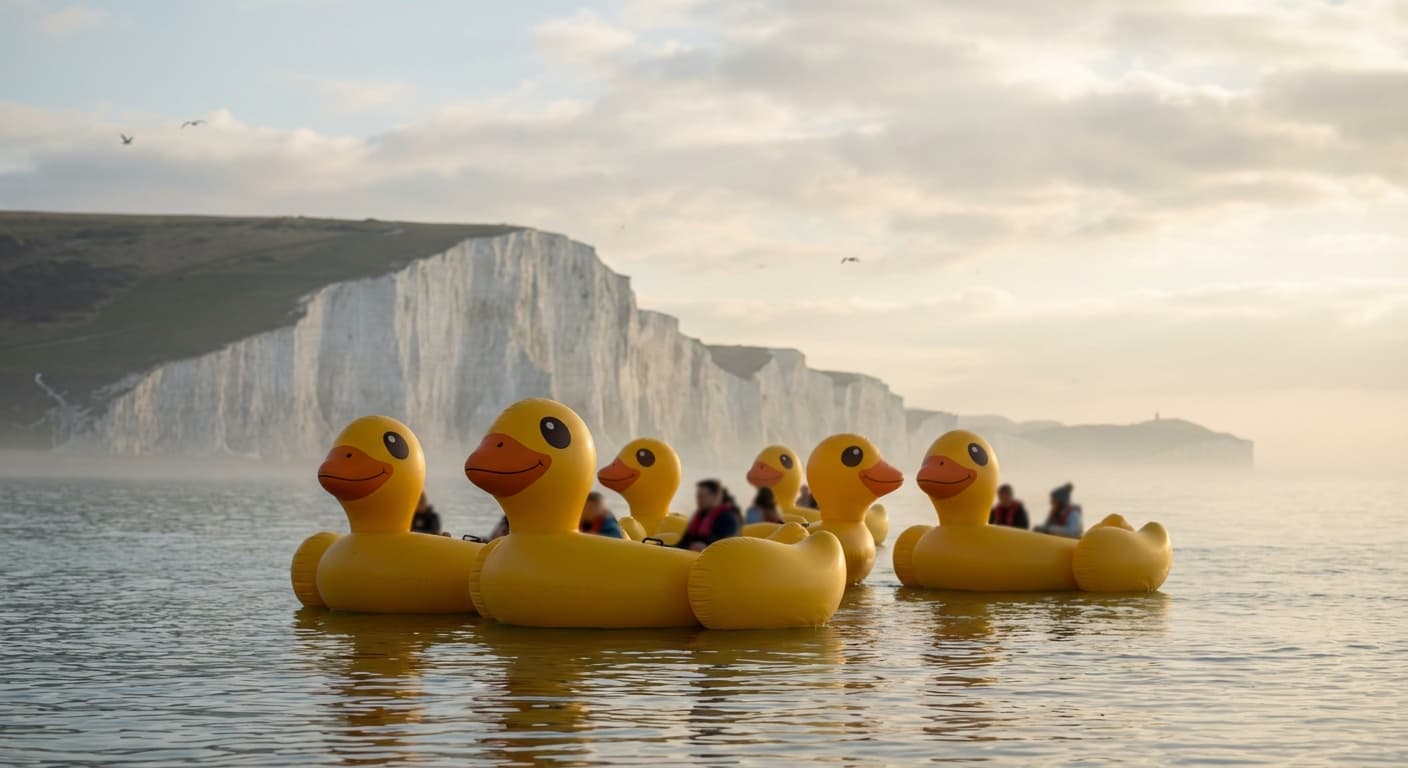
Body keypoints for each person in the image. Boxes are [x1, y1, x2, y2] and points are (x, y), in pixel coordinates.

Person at [676, 479, 743, 552]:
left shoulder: (729, 519)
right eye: (698, 497)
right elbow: (683, 543)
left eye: (702, 496)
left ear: (716, 497)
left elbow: (726, 545)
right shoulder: (701, 516)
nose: (698, 500)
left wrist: (706, 546)